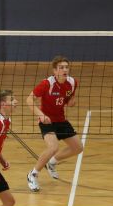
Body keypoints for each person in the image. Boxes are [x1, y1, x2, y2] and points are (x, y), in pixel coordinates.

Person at [25, 56, 82, 192]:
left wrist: (71, 102)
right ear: (55, 71)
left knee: (78, 148)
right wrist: (40, 115)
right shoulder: (47, 84)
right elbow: (29, 100)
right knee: (53, 147)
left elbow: (69, 98)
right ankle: (33, 174)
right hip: (47, 121)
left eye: (66, 67)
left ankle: (52, 162)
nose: (65, 70)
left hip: (61, 120)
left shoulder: (72, 82)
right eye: (61, 68)